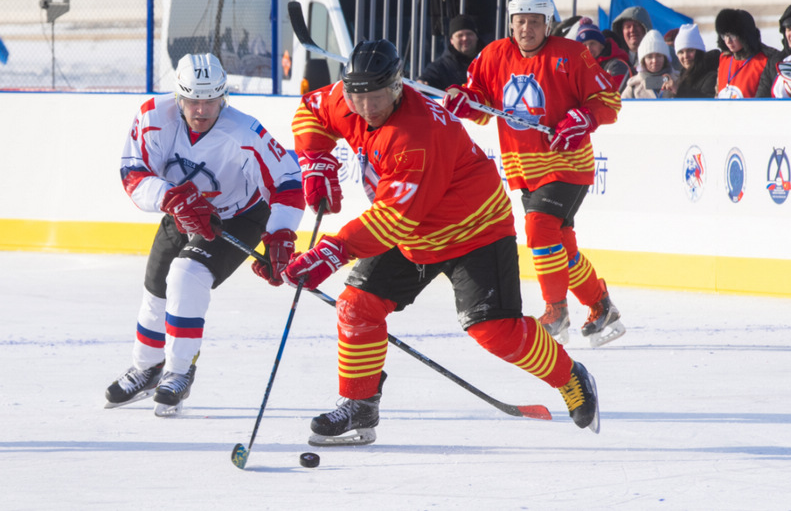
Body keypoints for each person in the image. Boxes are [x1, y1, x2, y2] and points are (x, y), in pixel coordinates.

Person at [286, 39, 600, 445]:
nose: (366, 108)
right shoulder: (350, 97)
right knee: (357, 306)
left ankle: (569, 376)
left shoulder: (417, 133)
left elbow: (395, 217)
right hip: (413, 233)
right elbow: (311, 111)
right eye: (357, 97)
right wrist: (315, 161)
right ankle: (360, 406)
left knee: (495, 330)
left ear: (397, 88)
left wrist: (333, 250)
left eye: (377, 97)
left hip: (475, 232)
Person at [105, 53, 305, 415]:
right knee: (156, 289)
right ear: (178, 97)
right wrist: (171, 198)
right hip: (180, 209)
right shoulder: (152, 116)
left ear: (223, 96)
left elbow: (289, 182)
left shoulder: (245, 132)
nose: (202, 109)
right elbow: (133, 172)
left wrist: (280, 235)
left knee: (187, 276)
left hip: (239, 216)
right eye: (193, 100)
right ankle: (147, 367)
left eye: (211, 100)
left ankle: (178, 373)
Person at [442, 0, 626, 348]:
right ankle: (601, 307)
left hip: (567, 165)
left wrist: (584, 117)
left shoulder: (571, 55)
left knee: (539, 227)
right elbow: (481, 103)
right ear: (511, 24)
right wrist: (464, 101)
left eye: (534, 22)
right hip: (524, 170)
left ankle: (555, 311)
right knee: (561, 248)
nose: (526, 29)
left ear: (547, 24)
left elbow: (609, 101)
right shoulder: (494, 54)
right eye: (520, 22)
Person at [715, 8, 774, 99]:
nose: (728, 41)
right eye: (724, 36)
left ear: (745, 35)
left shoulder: (764, 62)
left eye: (732, 35)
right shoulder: (724, 59)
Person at [417, 14, 484, 90]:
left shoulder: (489, 61)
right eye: (460, 35)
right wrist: (421, 83)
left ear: (476, 36)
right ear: (451, 40)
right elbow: (426, 79)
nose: (465, 38)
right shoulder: (441, 67)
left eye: (469, 34)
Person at [572, 17, 632, 92]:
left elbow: (615, 96)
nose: (588, 48)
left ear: (601, 45)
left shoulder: (617, 66)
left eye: (592, 43)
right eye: (584, 45)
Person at [661, 23, 720, 99]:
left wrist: (678, 90)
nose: (685, 56)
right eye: (681, 52)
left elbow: (707, 105)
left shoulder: (711, 76)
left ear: (699, 52)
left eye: (690, 50)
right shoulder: (681, 77)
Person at [621, 29, 679, 99]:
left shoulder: (679, 81)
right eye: (649, 57)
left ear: (665, 58)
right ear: (643, 60)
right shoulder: (633, 87)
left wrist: (677, 91)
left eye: (659, 55)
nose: (654, 60)